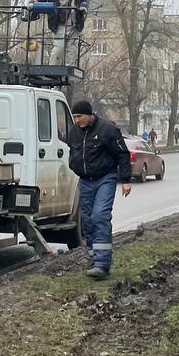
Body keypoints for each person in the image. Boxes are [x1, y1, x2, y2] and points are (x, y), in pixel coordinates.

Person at [66, 99, 132, 278]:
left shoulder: (107, 130)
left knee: (100, 216)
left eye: (79, 116)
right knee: (87, 221)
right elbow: (71, 151)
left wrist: (125, 179)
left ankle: (102, 265)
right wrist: (73, 165)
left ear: (89, 115)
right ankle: (94, 259)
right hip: (85, 181)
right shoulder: (74, 132)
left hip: (105, 178)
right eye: (75, 117)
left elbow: (122, 154)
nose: (77, 120)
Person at [34, 0, 89, 65]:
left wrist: (83, 6)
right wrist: (33, 1)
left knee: (72, 52)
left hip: (74, 24)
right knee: (58, 49)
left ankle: (70, 77)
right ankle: (52, 71)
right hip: (59, 23)